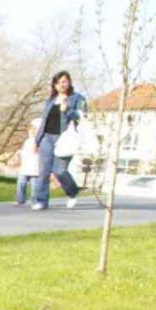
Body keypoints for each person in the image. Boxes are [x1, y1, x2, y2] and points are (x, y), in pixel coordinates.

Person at [31, 70, 87, 211]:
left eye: (65, 81)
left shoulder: (77, 98)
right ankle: (41, 201)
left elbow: (81, 116)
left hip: (65, 139)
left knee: (59, 171)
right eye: (59, 82)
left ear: (69, 82)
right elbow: (44, 122)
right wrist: (37, 141)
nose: (62, 84)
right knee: (43, 171)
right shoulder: (50, 101)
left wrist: (67, 110)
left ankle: (72, 192)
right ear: (54, 85)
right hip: (47, 138)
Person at [14, 119, 41, 206]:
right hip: (25, 167)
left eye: (34, 130)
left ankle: (34, 201)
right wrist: (19, 154)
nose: (32, 132)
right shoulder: (27, 141)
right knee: (21, 183)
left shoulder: (39, 141)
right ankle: (20, 200)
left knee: (35, 186)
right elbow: (25, 153)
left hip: (35, 167)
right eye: (31, 130)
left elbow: (39, 153)